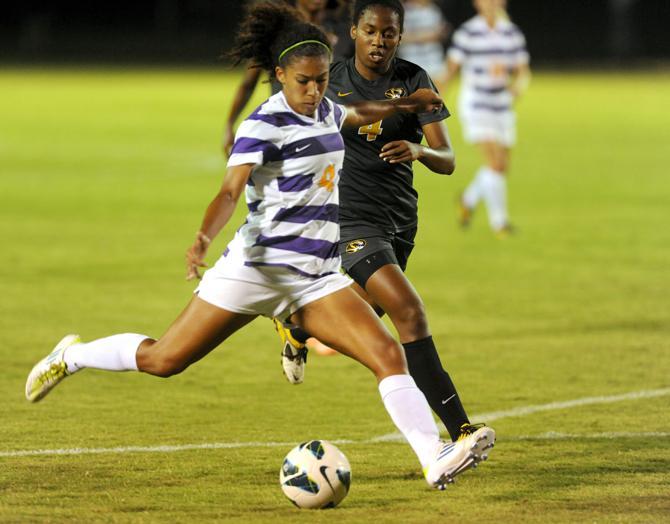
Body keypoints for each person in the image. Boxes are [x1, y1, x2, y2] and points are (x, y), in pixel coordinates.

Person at [24, 1, 493, 490]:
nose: (314, 91)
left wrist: (408, 107)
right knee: (164, 360)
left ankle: (434, 455)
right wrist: (204, 237)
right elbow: (229, 191)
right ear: (280, 76)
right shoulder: (262, 125)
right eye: (303, 82)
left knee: (387, 354)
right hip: (255, 271)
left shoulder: (327, 109)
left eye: (319, 81)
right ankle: (72, 356)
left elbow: (361, 112)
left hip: (314, 277)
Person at [274, 0, 494, 466]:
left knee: (360, 321)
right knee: (409, 311)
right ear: (354, 31)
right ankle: (461, 431)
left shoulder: (415, 80)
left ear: (401, 35)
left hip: (399, 221)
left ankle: (296, 325)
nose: (379, 41)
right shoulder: (329, 79)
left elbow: (449, 160)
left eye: (389, 33)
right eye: (370, 31)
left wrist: (418, 148)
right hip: (348, 219)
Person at [440, 0, 530, 236]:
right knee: (495, 163)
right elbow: (449, 71)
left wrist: (518, 87)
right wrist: (434, 101)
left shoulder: (511, 33)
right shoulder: (468, 32)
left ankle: (468, 200)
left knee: (501, 165)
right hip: (476, 103)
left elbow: (522, 70)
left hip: (501, 103)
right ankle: (499, 223)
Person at [222, 0, 351, 156]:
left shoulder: (345, 32)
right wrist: (229, 125)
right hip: (284, 130)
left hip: (328, 132)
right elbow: (248, 84)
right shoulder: (277, 33)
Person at [397, 0, 451, 79]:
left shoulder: (434, 10)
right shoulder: (404, 10)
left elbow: (442, 33)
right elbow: (397, 37)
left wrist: (443, 33)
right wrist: (425, 36)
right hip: (410, 63)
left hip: (434, 63)